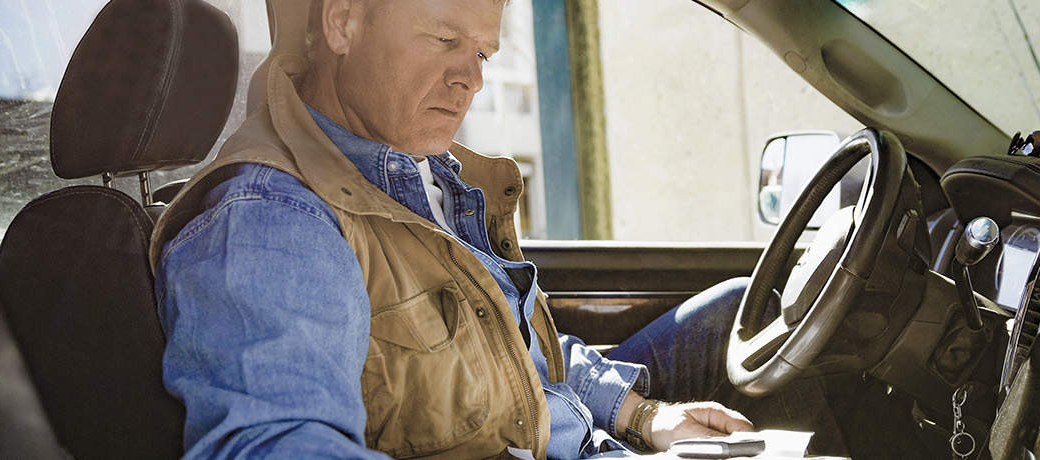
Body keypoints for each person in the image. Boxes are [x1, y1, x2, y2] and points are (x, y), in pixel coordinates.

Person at [149, 0, 805, 458]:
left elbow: (508, 343)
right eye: (443, 40)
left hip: (566, 430)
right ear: (344, 21)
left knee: (742, 308)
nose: (472, 80)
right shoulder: (274, 223)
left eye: (483, 51)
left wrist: (645, 416)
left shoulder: (420, 170)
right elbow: (281, 445)